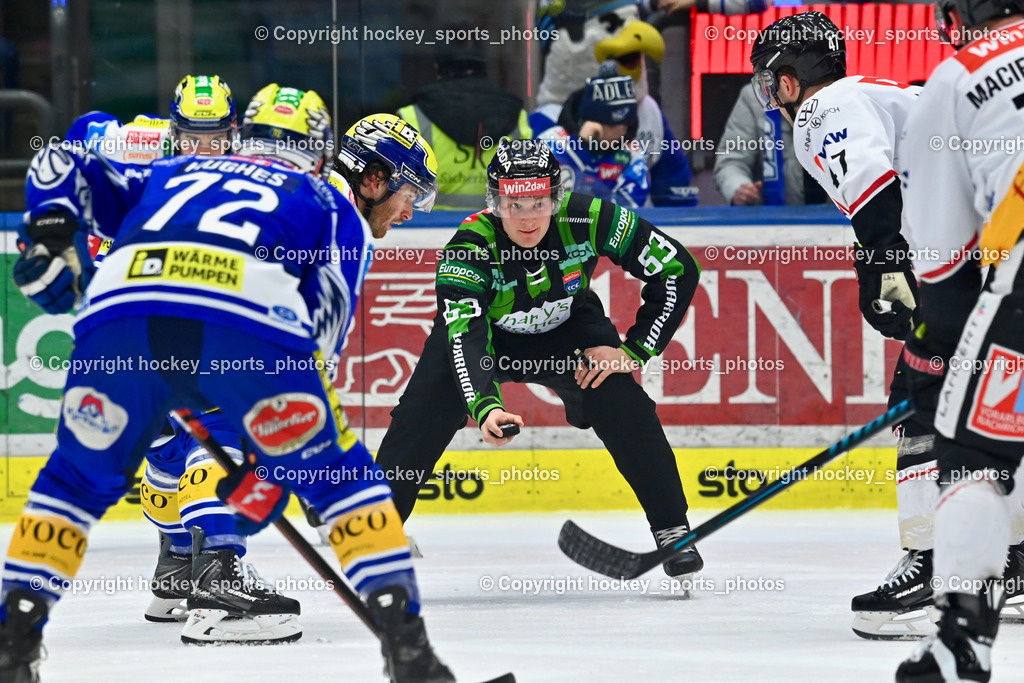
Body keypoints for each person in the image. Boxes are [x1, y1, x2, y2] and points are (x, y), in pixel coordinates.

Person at [0, 84, 454, 682]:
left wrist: (51, 233)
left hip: (121, 318)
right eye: (410, 194)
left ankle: (16, 638)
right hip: (237, 326)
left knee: (76, 480)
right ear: (365, 175)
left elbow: (56, 161)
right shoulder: (332, 208)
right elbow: (313, 350)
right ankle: (403, 645)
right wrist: (272, 466)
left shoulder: (174, 169)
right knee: (339, 478)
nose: (410, 211)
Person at [750, 10, 1024, 641]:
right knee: (992, 405)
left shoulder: (822, 110)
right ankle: (1013, 559)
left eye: (771, 83)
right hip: (998, 254)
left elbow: (874, 188)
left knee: (920, 399)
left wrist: (883, 265)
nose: (773, 98)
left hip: (985, 261)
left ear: (789, 81)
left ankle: (934, 565)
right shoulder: (878, 95)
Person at [373, 138, 704, 578]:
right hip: (484, 335)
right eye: (514, 204)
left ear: (557, 198)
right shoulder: (468, 247)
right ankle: (375, 536)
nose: (527, 218)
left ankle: (672, 530)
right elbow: (466, 336)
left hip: (568, 332)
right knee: (419, 416)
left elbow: (677, 268)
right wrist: (485, 407)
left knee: (625, 406)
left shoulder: (591, 216)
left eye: (539, 203)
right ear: (495, 202)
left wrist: (634, 350)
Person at [895, 0, 1024, 679]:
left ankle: (962, 643)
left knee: (974, 458)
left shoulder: (957, 77)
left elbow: (943, 274)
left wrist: (930, 357)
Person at [396, 26, 531, 211]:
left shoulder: (412, 116)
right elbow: (528, 183)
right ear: (485, 65)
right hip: (495, 223)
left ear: (437, 65)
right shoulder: (517, 115)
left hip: (428, 224)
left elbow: (396, 186)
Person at [539, 66, 652, 208]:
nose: (622, 131)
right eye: (612, 125)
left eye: (626, 125)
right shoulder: (551, 144)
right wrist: (582, 147)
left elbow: (628, 208)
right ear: (593, 122)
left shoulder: (632, 155)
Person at [713, 84, 826, 206]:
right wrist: (739, 187)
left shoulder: (839, 95)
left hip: (837, 213)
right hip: (771, 215)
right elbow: (731, 161)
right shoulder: (754, 96)